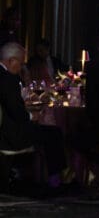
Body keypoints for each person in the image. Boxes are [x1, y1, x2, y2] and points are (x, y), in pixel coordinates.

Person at [0, 42, 69, 186]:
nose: (22, 67)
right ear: (11, 61)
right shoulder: (8, 79)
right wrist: (33, 116)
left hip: (5, 130)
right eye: (20, 63)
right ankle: (55, 180)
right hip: (9, 136)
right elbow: (18, 113)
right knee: (53, 133)